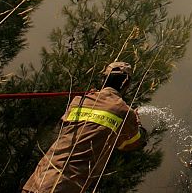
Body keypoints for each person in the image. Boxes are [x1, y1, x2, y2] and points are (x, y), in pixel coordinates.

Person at [22, 61, 147, 192]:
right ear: (126, 84)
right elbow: (131, 144)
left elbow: (59, 131)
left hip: (38, 179)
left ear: (103, 79)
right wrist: (137, 124)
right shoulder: (123, 111)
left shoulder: (79, 100)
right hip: (64, 186)